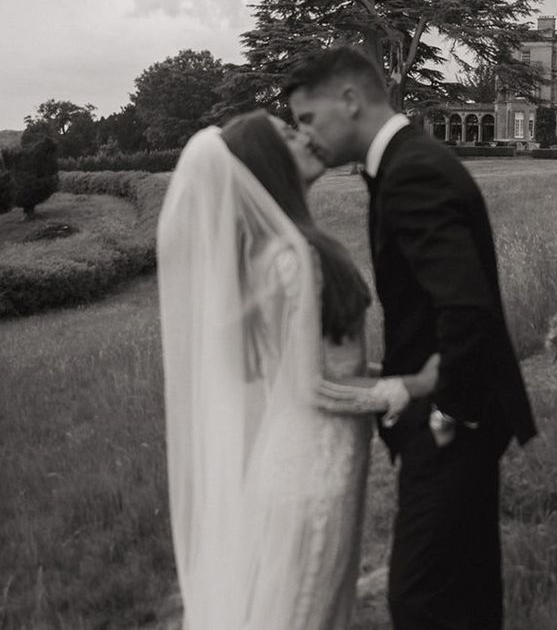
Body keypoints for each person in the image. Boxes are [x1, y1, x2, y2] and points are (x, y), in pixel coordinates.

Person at [286, 46, 537, 630]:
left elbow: (466, 307)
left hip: (451, 421)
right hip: (458, 415)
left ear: (349, 100)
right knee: (466, 592)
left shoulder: (413, 171)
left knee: (422, 600)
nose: (305, 134)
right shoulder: (405, 162)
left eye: (307, 118)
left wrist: (445, 413)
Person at [156, 110, 438, 630]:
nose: (305, 133)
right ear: (267, 161)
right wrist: (410, 386)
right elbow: (309, 386)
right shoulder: (290, 258)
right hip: (311, 469)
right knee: (305, 608)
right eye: (287, 134)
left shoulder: (281, 249)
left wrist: (384, 371)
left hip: (316, 458)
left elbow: (320, 363)